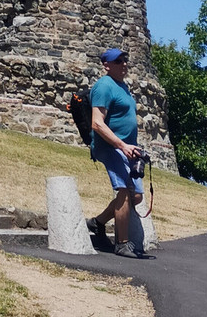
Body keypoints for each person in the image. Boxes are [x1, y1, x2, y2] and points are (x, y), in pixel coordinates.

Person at [85, 47, 146, 259]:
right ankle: (122, 244)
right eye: (119, 61)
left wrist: (133, 147)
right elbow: (97, 123)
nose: (124, 64)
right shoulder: (103, 86)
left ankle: (98, 222)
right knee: (123, 191)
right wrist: (122, 145)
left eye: (125, 60)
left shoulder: (123, 87)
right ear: (107, 65)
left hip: (128, 148)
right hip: (110, 147)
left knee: (136, 196)